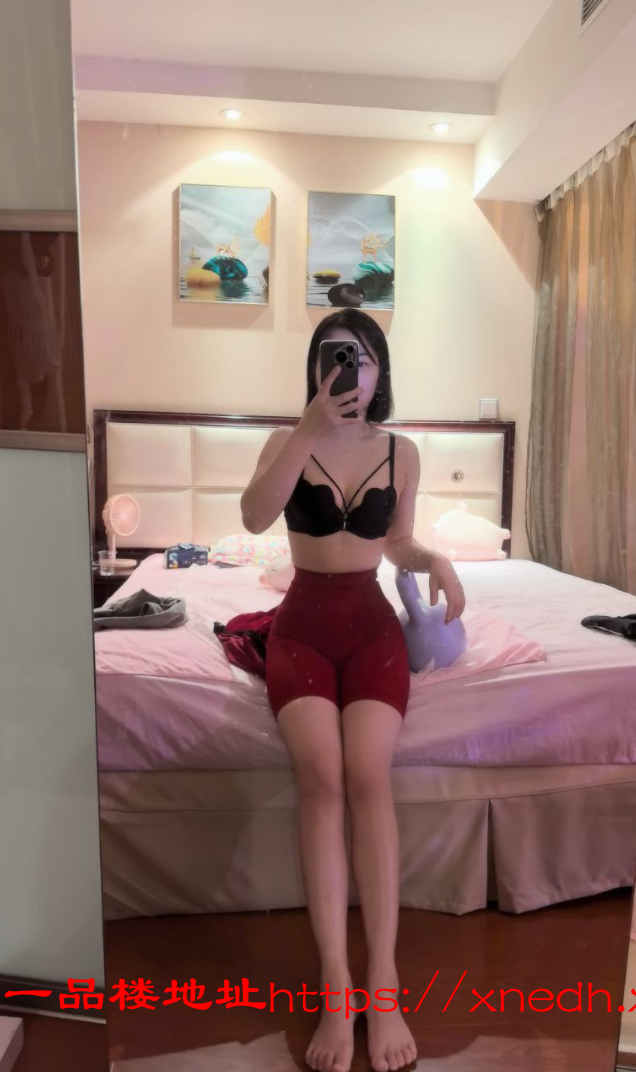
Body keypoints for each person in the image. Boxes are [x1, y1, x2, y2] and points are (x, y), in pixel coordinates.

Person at [240, 310, 465, 1072]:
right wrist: (306, 430)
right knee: (323, 776)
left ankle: (383, 981)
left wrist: (436, 559)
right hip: (300, 630)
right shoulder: (285, 440)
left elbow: (395, 541)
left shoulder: (402, 452)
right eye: (335, 357)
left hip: (370, 629)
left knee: (369, 775)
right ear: (315, 368)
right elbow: (253, 516)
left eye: (362, 358)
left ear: (380, 371)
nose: (349, 371)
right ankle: (336, 987)